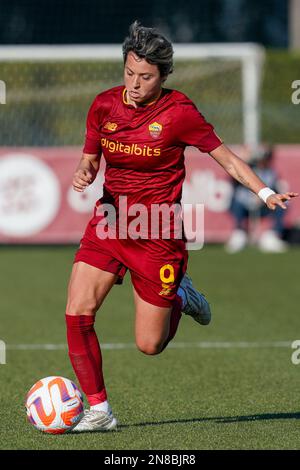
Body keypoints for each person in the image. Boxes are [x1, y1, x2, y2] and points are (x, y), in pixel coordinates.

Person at [66, 21, 298, 432]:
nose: (135, 84)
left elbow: (226, 158)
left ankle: (181, 294)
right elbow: (91, 157)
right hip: (109, 222)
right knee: (77, 312)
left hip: (158, 233)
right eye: (129, 73)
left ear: (164, 76)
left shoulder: (179, 113)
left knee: (149, 345)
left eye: (146, 77)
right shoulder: (103, 105)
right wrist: (85, 171)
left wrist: (265, 194)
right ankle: (99, 410)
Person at [226, 147, 289, 253]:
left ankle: (272, 235)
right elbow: (234, 182)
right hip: (245, 205)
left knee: (283, 203)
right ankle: (239, 233)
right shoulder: (248, 170)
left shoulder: (271, 173)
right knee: (236, 201)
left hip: (264, 206)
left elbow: (276, 189)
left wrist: (265, 197)